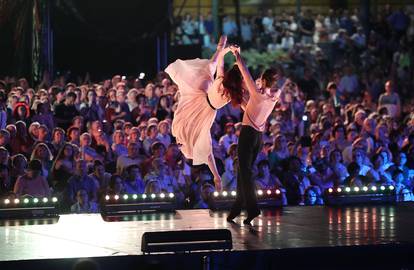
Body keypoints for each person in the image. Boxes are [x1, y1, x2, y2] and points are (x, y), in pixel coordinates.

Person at [165, 35, 241, 191]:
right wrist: (229, 52)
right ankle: (216, 176)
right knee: (203, 142)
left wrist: (226, 51)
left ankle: (216, 176)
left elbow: (219, 65)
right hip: (203, 104)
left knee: (211, 66)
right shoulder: (231, 93)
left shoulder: (222, 82)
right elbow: (220, 66)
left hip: (201, 99)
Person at [227, 47, 285, 225]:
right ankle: (237, 206)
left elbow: (244, 71)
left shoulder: (257, 94)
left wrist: (237, 54)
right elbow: (250, 109)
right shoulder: (273, 97)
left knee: (245, 173)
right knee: (243, 173)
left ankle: (252, 208)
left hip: (248, 135)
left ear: (264, 79)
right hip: (259, 138)